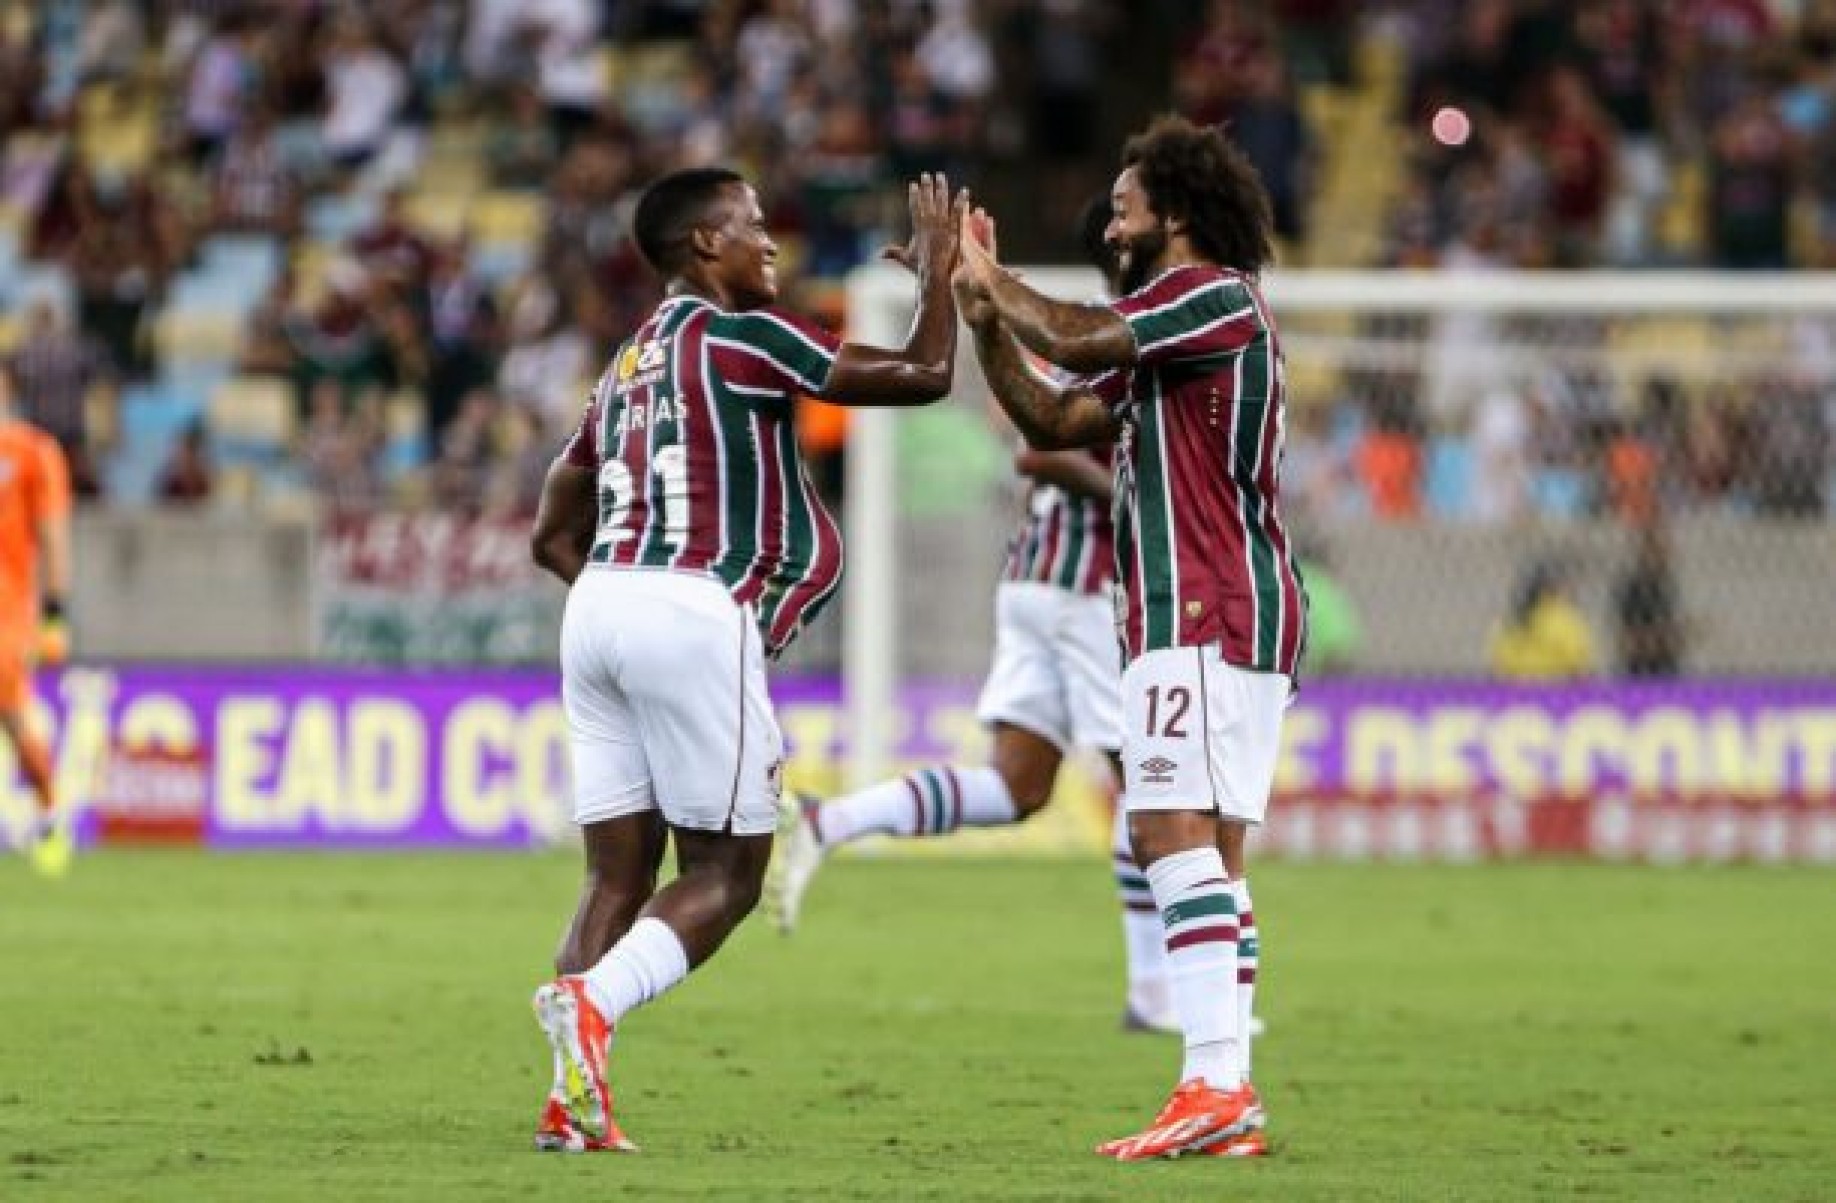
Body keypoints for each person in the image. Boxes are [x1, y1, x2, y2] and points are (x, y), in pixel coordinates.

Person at [525, 168, 964, 1153]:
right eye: (753, 225)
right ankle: (592, 1005)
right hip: (689, 606)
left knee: (614, 879)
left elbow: (553, 525)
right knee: (727, 875)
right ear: (703, 248)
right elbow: (925, 376)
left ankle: (570, 1100)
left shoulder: (626, 364)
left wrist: (626, 604)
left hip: (598, 606)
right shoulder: (743, 335)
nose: (771, 241)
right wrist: (939, 275)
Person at [952, 115, 1307, 1161]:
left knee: (1164, 832)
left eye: (1124, 208)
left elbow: (1068, 335)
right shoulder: (1167, 334)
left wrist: (988, 273)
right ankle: (1227, 1093)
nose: (1111, 224)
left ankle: (1208, 1080)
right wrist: (981, 321)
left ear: (1180, 215)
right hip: (1218, 604)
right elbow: (1054, 423)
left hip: (1202, 604)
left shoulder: (1207, 295)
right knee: (1214, 850)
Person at [769, 196, 1176, 1034]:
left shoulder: (1109, 338)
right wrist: (1144, 495)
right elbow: (1039, 447)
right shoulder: (1120, 343)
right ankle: (1156, 992)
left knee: (1019, 786)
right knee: (1149, 783)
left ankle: (830, 818)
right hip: (1083, 586)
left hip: (1038, 580)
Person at [0, 363, 75, 876]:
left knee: (11, 710)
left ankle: (50, 814)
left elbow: (52, 535)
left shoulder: (32, 451)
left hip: (7, 605)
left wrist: (55, 614)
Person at [1490, 559, 1597, 680]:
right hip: (1556, 693)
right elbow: (1582, 672)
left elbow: (1498, 670)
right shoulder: (1566, 620)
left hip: (1516, 692)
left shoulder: (1512, 622)